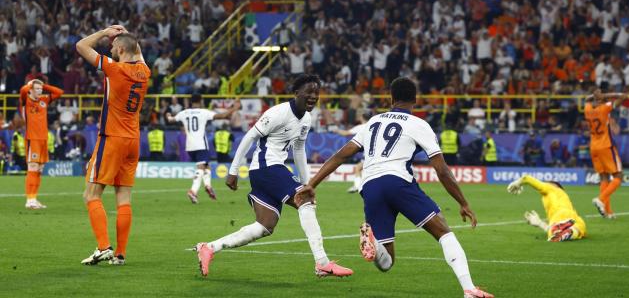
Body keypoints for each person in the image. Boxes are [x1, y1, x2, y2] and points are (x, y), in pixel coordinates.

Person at [295, 77, 492, 298]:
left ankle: (375, 245)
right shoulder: (419, 125)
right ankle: (469, 289)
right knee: (444, 233)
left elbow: (341, 155)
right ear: (415, 99)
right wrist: (463, 202)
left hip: (370, 187)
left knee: (386, 262)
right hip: (398, 182)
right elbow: (442, 170)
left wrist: (312, 183)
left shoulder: (373, 122)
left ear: (391, 98)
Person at [194, 74, 352, 278]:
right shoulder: (278, 113)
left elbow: (299, 150)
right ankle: (322, 263)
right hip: (266, 167)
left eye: (317, 93)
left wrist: (307, 183)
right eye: (309, 92)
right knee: (306, 203)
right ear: (296, 93)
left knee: (264, 226)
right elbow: (250, 136)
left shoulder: (306, 118)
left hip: (269, 171)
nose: (313, 96)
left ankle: (209, 248)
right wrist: (233, 171)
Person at [76, 25, 151, 266]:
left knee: (91, 194)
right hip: (133, 140)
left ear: (119, 50)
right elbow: (135, 50)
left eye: (113, 47)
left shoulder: (113, 68)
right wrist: (127, 35)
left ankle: (103, 247)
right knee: (124, 197)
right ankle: (119, 254)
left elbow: (81, 46)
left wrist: (105, 31)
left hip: (112, 138)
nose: (110, 49)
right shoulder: (144, 71)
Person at [166, 94, 240, 203]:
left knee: (206, 166)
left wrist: (168, 115)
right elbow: (222, 116)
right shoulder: (203, 112)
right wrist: (235, 108)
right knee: (201, 168)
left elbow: (170, 120)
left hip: (189, 146)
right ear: (200, 101)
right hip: (200, 144)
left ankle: (208, 186)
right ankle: (193, 191)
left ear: (191, 102)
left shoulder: (184, 113)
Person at [19, 79, 63, 209]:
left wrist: (44, 85)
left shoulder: (44, 100)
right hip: (32, 139)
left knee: (39, 170)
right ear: (31, 90)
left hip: (43, 139)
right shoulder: (25, 101)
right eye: (36, 89)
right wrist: (30, 84)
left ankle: (34, 198)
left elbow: (59, 92)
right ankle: (29, 200)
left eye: (40, 89)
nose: (39, 91)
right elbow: (22, 91)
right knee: (32, 168)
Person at [584, 89, 627, 219]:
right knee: (618, 176)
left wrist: (595, 95)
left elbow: (587, 98)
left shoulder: (587, 108)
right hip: (606, 145)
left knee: (604, 178)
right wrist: (606, 95)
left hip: (593, 146)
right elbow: (624, 96)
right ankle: (601, 199)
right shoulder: (604, 108)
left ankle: (608, 212)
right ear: (602, 100)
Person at [507, 175, 587, 242]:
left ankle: (559, 230)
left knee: (552, 232)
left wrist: (518, 183)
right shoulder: (563, 197)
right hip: (576, 218)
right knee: (579, 231)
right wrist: (539, 223)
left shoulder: (551, 188)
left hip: (559, 214)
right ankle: (567, 232)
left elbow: (527, 178)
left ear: (554, 185)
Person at [331, 112, 372, 193]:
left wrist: (336, 129)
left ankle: (357, 187)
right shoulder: (374, 124)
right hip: (374, 152)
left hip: (368, 153)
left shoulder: (361, 127)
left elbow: (345, 133)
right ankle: (359, 186)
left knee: (358, 168)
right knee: (360, 169)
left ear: (362, 118)